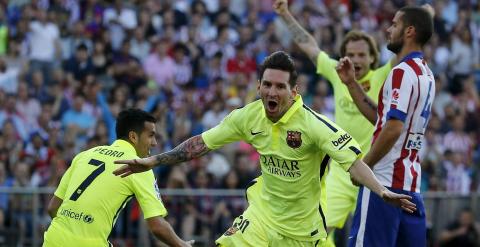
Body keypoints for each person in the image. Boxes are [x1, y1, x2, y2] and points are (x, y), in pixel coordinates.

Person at [113, 51, 416, 246]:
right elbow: (199, 144)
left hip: (301, 230)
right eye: (267, 84)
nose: (272, 91)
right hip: (261, 216)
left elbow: (354, 162)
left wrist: (381, 191)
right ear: (258, 86)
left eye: (280, 86)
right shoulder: (248, 116)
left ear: (293, 91)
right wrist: (152, 160)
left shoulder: (315, 125)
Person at [273, 0, 394, 242]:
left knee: (377, 239)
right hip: (342, 170)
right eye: (350, 54)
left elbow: (407, 51)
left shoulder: (385, 75)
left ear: (373, 58)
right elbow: (309, 44)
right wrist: (286, 15)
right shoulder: (339, 74)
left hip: (376, 171)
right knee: (317, 230)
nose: (356, 59)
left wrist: (423, 16)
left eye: (362, 54)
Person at [336, 5, 435, 247]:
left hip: (383, 184)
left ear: (409, 31)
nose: (389, 29)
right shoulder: (427, 74)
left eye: (395, 24)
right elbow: (383, 120)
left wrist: (364, 167)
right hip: (410, 186)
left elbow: (392, 128)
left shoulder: (401, 72)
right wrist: (351, 84)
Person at [43, 109, 192, 247]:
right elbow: (157, 226)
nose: (155, 143)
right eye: (151, 135)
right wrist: (183, 245)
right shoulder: (138, 166)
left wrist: (71, 231)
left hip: (53, 238)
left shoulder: (84, 155)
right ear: (133, 136)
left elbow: (53, 208)